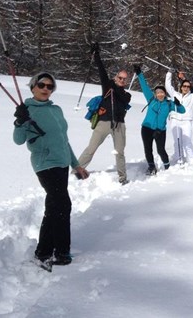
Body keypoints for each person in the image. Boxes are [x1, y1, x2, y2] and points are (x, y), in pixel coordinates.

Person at [13, 72, 89, 268]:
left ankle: (43, 251)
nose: (46, 89)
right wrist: (19, 121)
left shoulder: (56, 110)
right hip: (45, 164)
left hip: (62, 163)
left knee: (54, 207)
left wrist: (76, 164)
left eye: (50, 86)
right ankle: (62, 252)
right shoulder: (27, 109)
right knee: (63, 205)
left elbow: (64, 140)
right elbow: (18, 140)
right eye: (42, 85)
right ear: (33, 87)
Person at [78, 45, 132, 184]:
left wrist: (115, 87)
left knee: (119, 152)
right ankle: (76, 171)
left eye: (124, 79)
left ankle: (122, 178)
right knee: (91, 148)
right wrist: (96, 55)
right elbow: (101, 71)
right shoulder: (108, 86)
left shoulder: (127, 95)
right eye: (120, 77)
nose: (121, 80)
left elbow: (122, 98)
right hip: (103, 123)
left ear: (126, 81)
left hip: (119, 125)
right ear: (116, 77)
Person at [135, 65, 184, 175]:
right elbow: (144, 86)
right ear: (155, 94)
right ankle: (151, 167)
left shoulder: (169, 103)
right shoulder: (151, 99)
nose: (160, 94)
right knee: (148, 149)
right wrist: (139, 74)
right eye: (158, 92)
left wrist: (178, 104)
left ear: (164, 93)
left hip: (160, 131)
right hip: (146, 128)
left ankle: (167, 167)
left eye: (161, 92)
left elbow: (182, 111)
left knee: (161, 150)